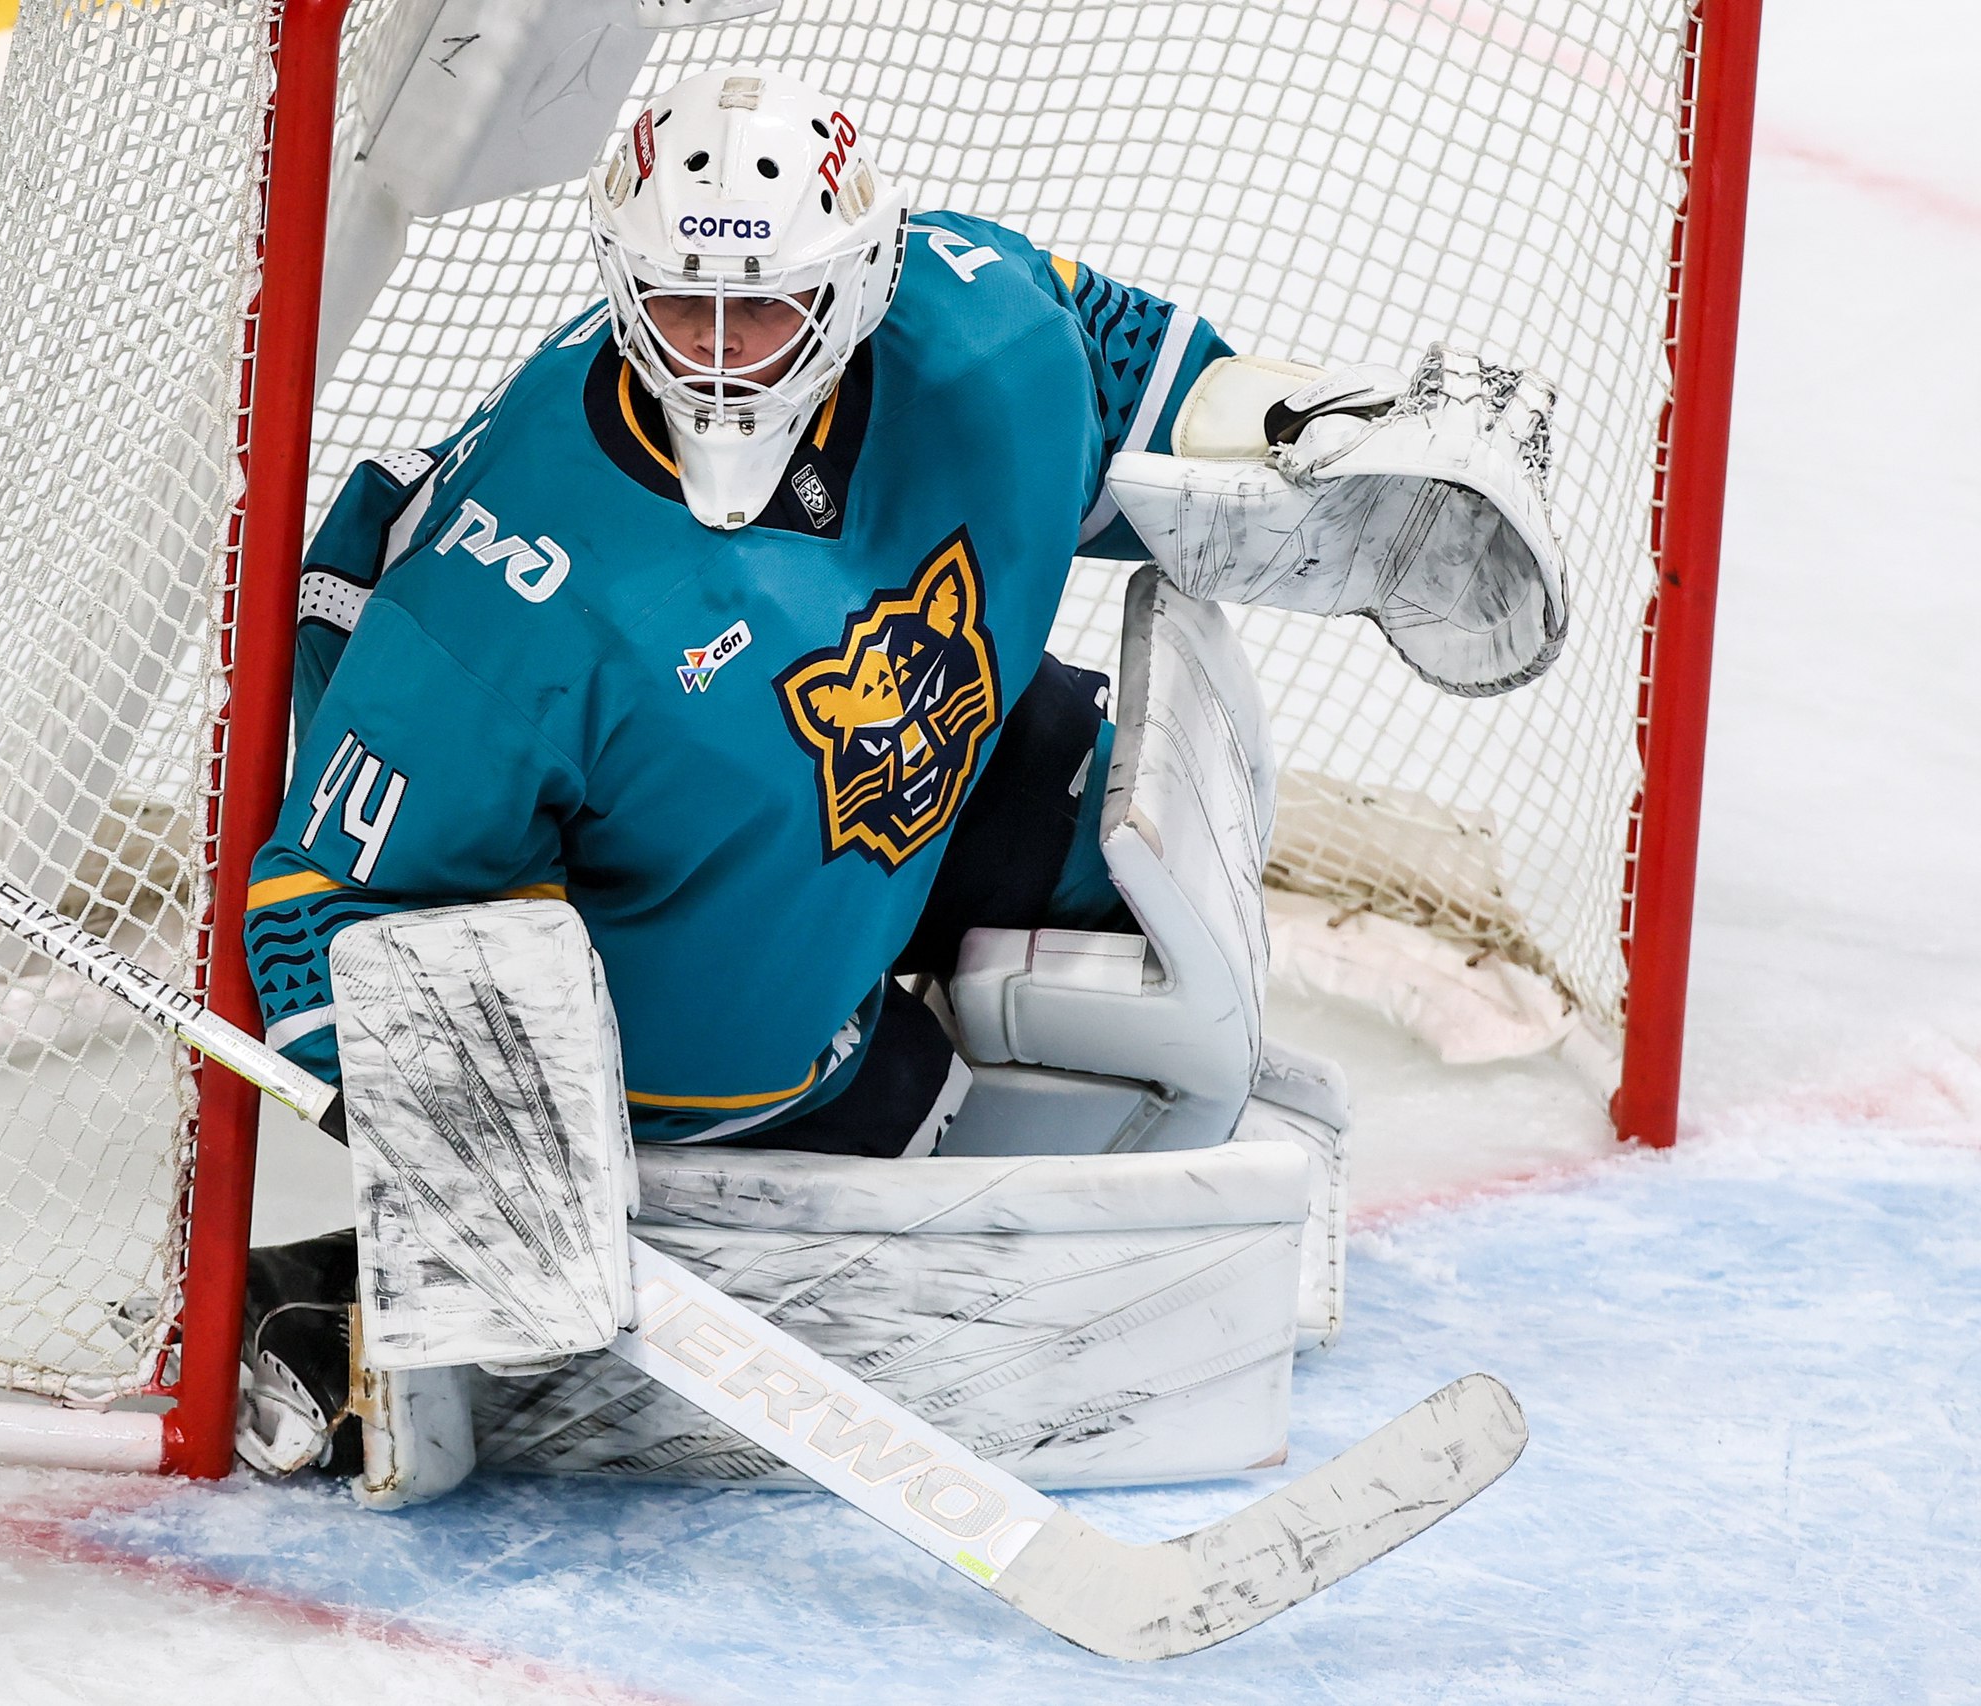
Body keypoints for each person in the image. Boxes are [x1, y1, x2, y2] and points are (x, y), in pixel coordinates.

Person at [235, 66, 1562, 1473]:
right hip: (655, 920)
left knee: (1130, 826)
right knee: (892, 1124)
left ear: (864, 278)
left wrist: (1313, 426)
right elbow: (324, 898)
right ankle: (341, 1292)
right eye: (683, 305)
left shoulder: (983, 324)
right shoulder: (501, 603)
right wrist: (446, 1122)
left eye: (768, 308)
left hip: (882, 745)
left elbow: (1139, 374)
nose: (722, 357)